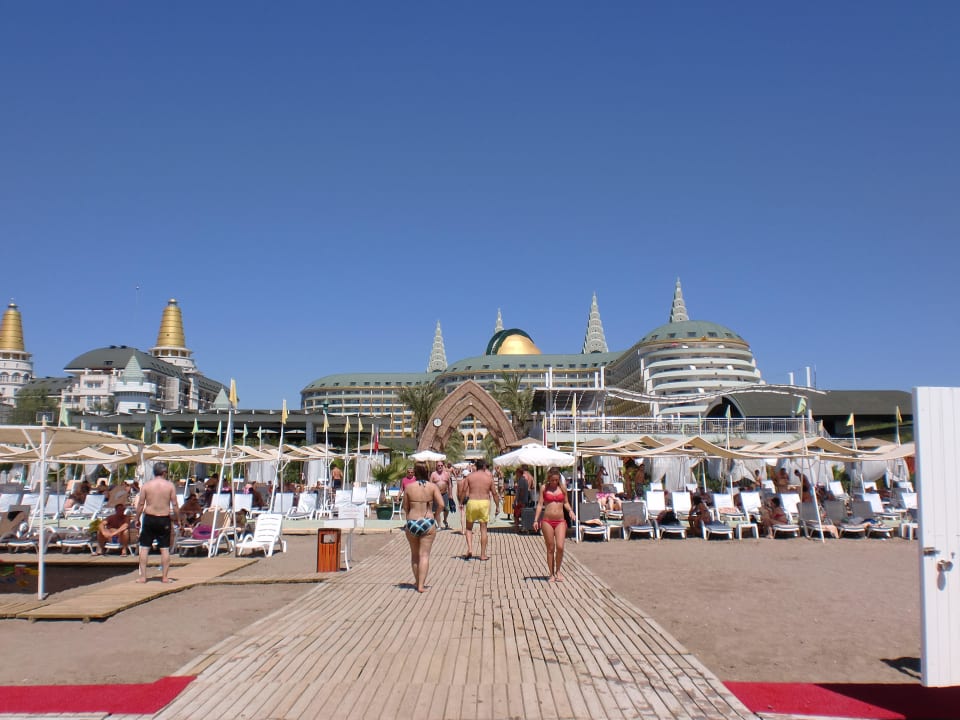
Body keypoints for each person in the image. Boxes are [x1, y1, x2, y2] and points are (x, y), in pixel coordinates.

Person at [402, 461, 444, 593]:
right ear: (427, 472)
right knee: (424, 555)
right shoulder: (432, 487)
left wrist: (409, 516)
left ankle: (416, 581)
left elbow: (405, 506)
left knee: (415, 555)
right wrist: (435, 515)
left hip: (413, 521)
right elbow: (441, 504)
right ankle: (421, 585)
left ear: (414, 472)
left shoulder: (409, 487)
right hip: (427, 520)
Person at [135, 461, 179, 583]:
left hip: (149, 517)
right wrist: (178, 519)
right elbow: (175, 504)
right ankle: (164, 577)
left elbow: (140, 504)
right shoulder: (170, 486)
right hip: (163, 518)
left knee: (144, 548)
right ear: (164, 472)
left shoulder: (146, 485)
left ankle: (143, 577)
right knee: (164, 549)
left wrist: (137, 518)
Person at [533, 467, 574, 583]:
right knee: (550, 548)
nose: (554, 482)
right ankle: (551, 573)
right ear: (549, 479)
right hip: (547, 521)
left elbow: (565, 502)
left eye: (556, 480)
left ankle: (558, 571)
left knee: (560, 547)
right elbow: (540, 504)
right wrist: (536, 520)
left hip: (560, 520)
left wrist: (570, 510)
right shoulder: (544, 488)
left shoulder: (562, 488)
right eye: (552, 480)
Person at [459, 458, 500, 560]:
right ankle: (482, 555)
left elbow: (464, 490)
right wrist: (497, 506)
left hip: (472, 502)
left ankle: (470, 549)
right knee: (483, 530)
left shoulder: (470, 476)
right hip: (484, 503)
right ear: (485, 467)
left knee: (468, 528)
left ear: (476, 466)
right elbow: (494, 493)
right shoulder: (489, 478)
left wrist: (460, 502)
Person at [430, 460, 452, 530]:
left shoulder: (446, 474)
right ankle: (439, 525)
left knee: (447, 509)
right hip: (436, 494)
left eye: (441, 465)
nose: (440, 467)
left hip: (445, 494)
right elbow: (430, 485)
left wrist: (450, 494)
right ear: (436, 466)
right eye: (438, 465)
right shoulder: (433, 474)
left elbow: (450, 485)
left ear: (443, 466)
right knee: (437, 510)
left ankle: (445, 520)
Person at [513, 465, 533, 530]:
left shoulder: (522, 480)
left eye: (516, 472)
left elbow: (521, 491)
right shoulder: (530, 477)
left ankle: (517, 528)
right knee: (523, 514)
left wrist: (519, 500)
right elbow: (533, 486)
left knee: (517, 515)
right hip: (526, 498)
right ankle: (522, 527)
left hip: (521, 500)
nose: (515, 474)